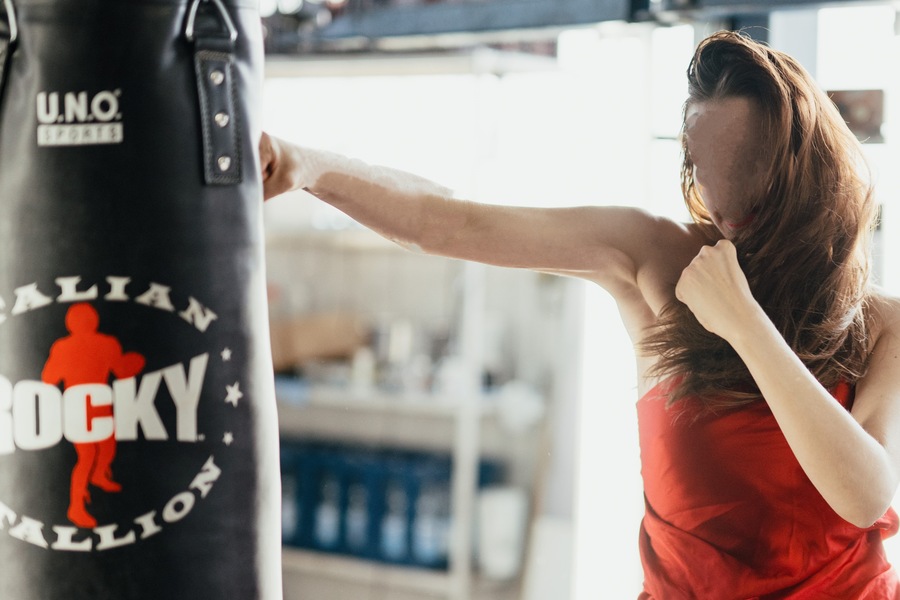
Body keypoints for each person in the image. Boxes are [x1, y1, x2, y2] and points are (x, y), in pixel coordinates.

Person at [259, 30, 900, 599]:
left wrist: (744, 323)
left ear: (805, 174)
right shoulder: (654, 258)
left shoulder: (880, 325)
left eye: (751, 191)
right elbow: (446, 221)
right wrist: (314, 167)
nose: (726, 218)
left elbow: (865, 495)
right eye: (705, 179)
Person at [42, 303, 146, 528]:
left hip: (94, 405)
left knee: (106, 447)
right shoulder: (101, 343)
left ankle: (98, 475)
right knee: (89, 455)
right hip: (80, 406)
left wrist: (133, 364)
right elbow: (122, 370)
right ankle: (76, 507)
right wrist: (134, 363)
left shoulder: (70, 346)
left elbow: (49, 378)